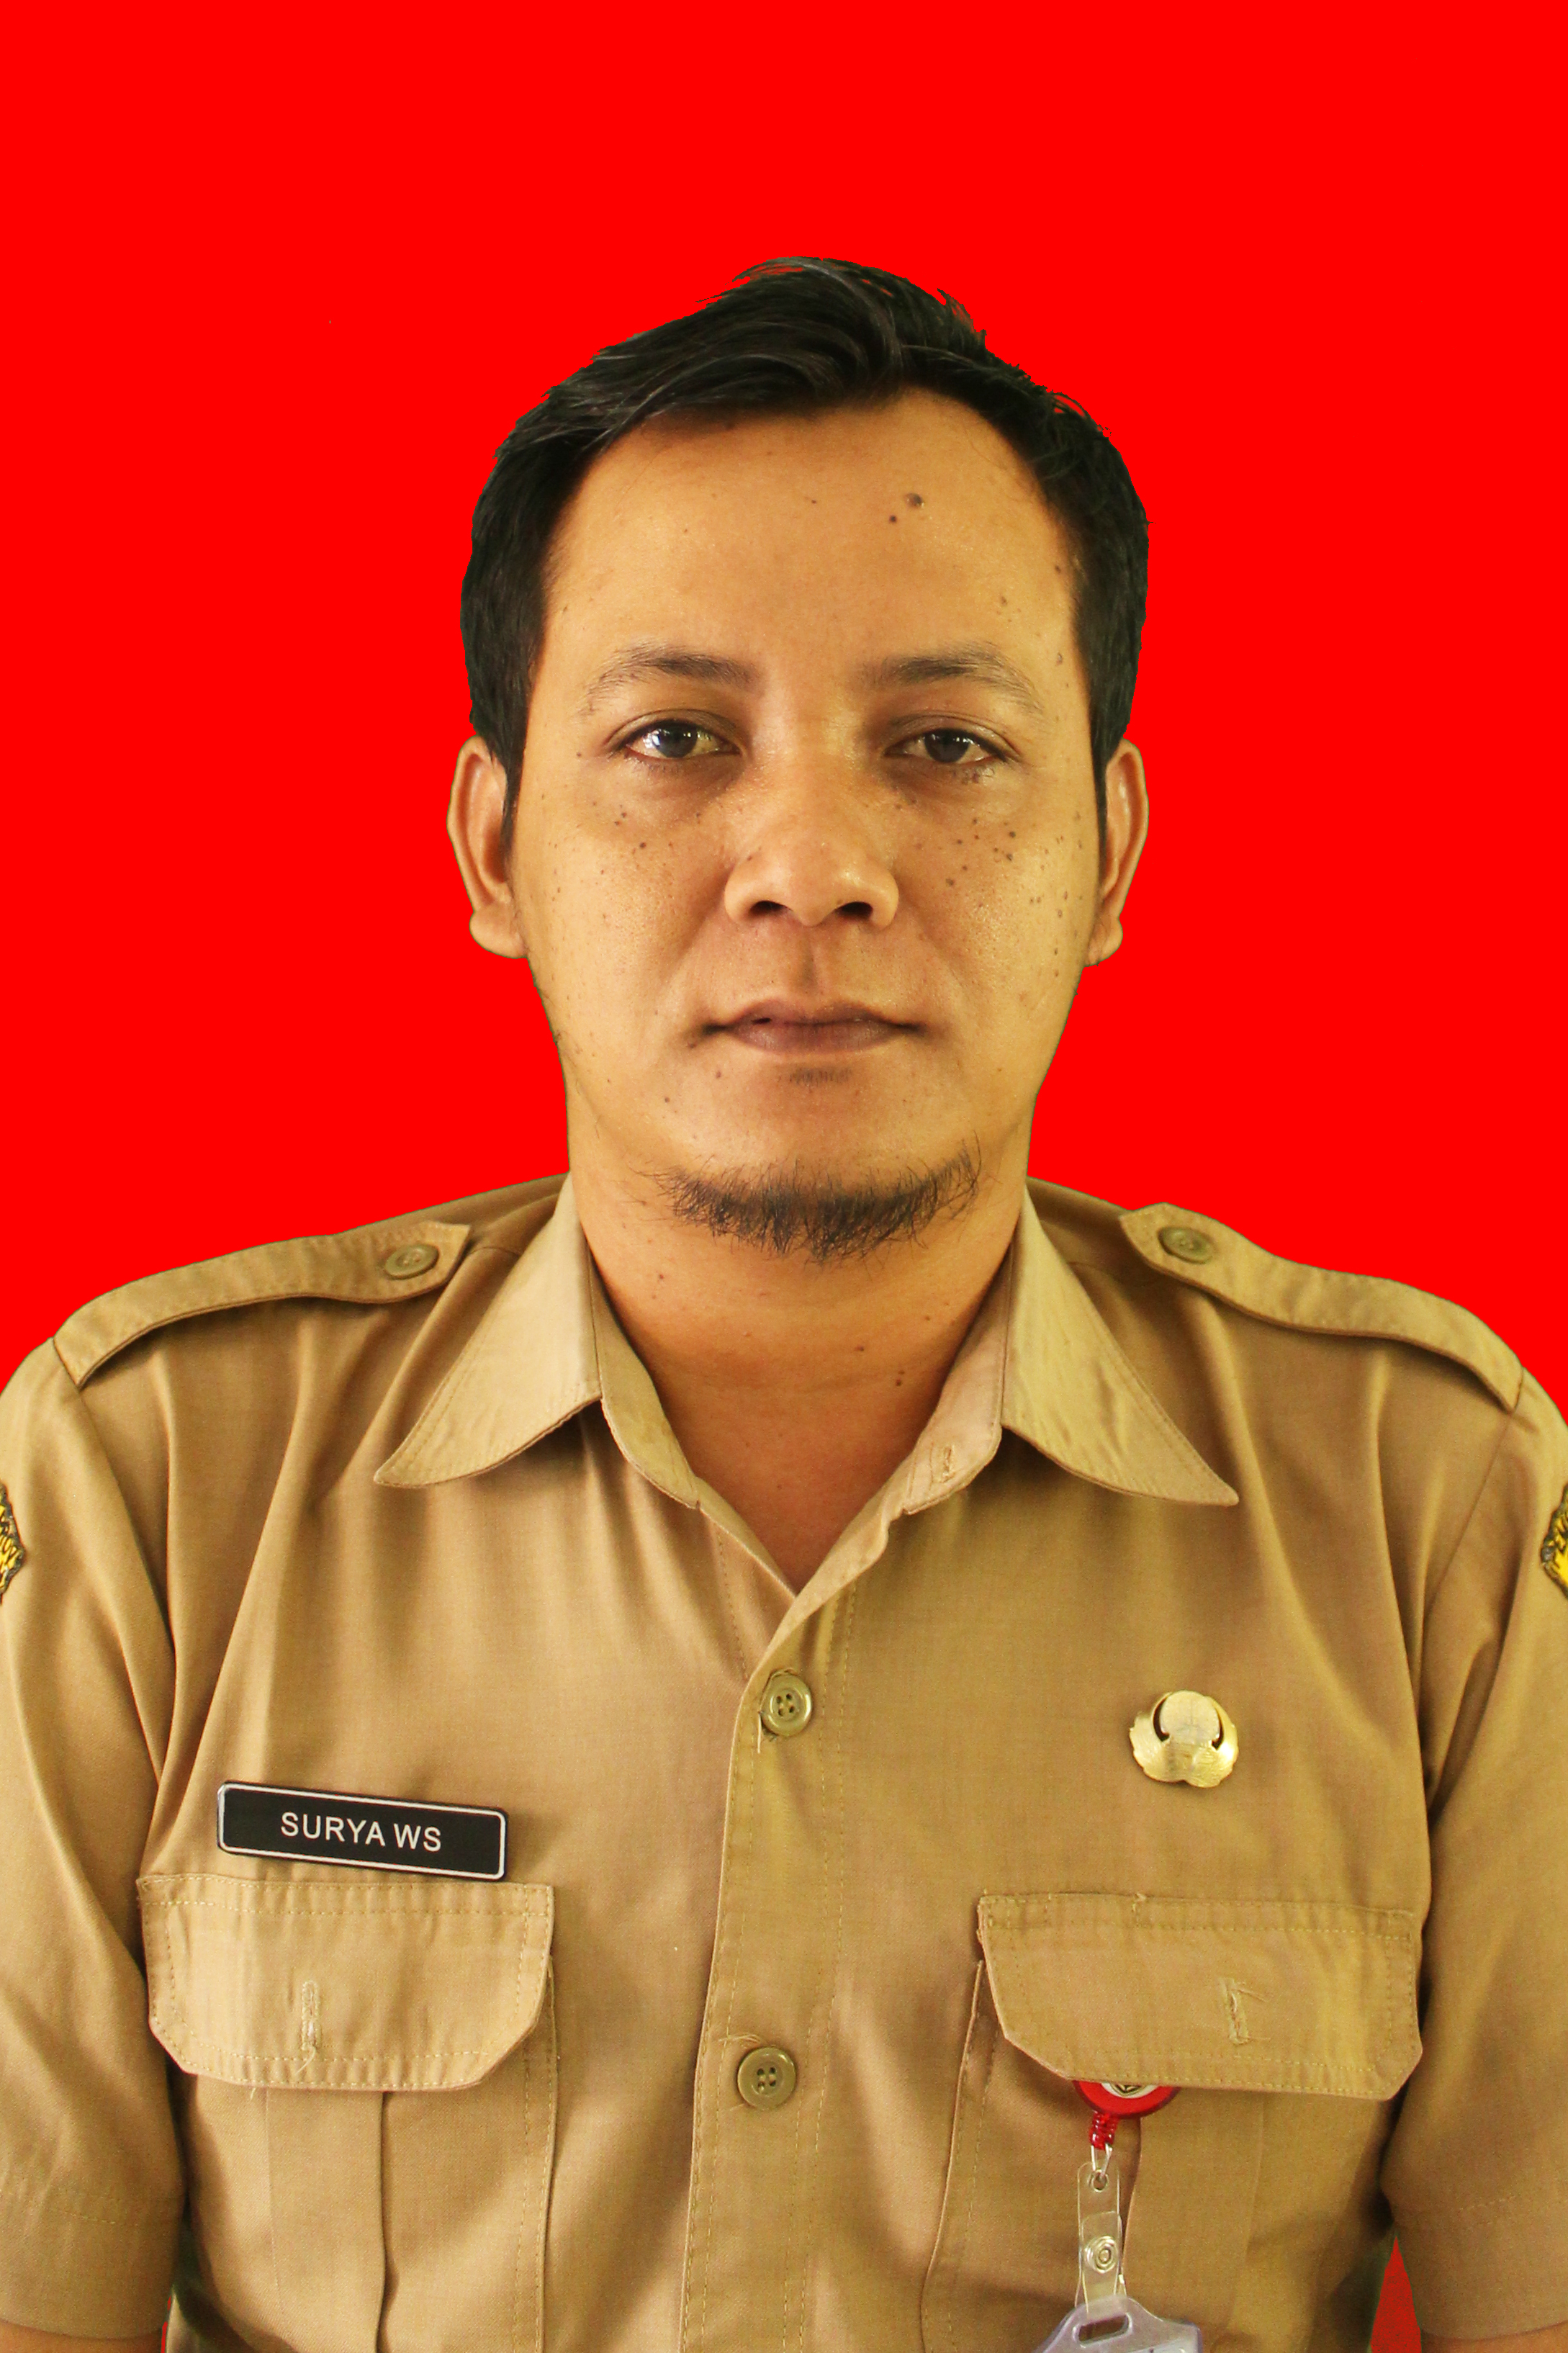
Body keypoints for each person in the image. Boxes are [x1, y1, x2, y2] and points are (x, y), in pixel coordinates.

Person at [0, 258, 1563, 2353]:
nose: (811, 863)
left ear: (1109, 851)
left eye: (943, 743)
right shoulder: (154, 1487)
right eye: (676, 738)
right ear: (493, 846)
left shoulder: (1421, 1504)